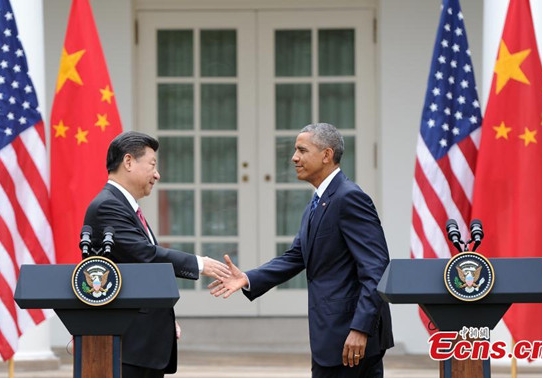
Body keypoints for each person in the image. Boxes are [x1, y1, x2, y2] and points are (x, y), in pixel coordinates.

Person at [209, 123, 394, 377]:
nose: (294, 157)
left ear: (326, 155)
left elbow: (375, 267)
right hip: (332, 338)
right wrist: (248, 278)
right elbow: (296, 256)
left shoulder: (349, 197)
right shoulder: (318, 201)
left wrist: (361, 328)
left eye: (302, 150)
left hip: (351, 338)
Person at [83, 131, 230, 378]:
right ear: (128, 162)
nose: (157, 174)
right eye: (152, 165)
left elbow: (139, 272)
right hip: (127, 344)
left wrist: (162, 315)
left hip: (141, 342)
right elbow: (145, 255)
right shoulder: (108, 206)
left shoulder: (123, 205)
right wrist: (199, 264)